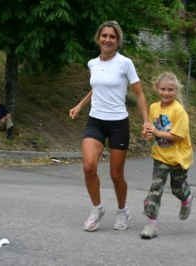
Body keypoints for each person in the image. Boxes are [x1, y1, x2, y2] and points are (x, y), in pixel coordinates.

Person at [69, 21, 149, 232]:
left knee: (116, 175)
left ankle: (123, 210)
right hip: (95, 121)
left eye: (112, 37)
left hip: (118, 124)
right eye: (104, 35)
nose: (107, 39)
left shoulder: (125, 63)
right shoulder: (92, 64)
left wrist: (146, 121)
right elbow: (97, 88)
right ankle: (97, 209)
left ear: (117, 41)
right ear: (98, 38)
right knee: (88, 167)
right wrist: (80, 105)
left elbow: (139, 94)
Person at [140, 72, 194, 239]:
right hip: (161, 155)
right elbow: (150, 129)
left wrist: (157, 131)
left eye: (170, 89)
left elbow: (178, 136)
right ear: (157, 88)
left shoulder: (179, 111)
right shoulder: (154, 107)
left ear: (176, 90)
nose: (166, 93)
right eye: (163, 89)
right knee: (156, 187)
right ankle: (151, 225)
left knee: (177, 189)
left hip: (178, 157)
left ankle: (186, 198)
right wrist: (147, 134)